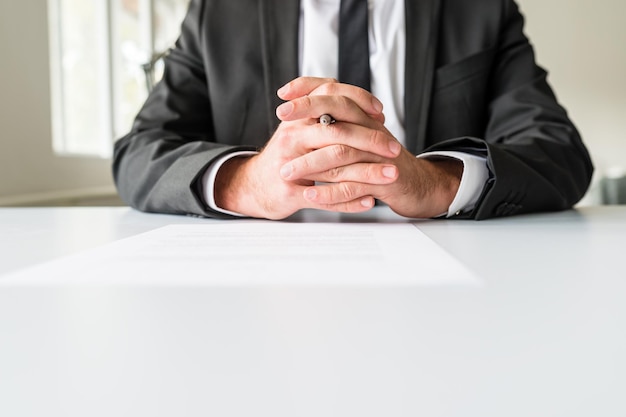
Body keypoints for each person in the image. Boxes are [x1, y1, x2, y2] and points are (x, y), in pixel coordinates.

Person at [112, 0, 594, 220]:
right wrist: (248, 181)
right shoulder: (219, 12)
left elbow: (560, 151)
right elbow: (139, 152)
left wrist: (435, 181)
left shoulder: (480, 10)